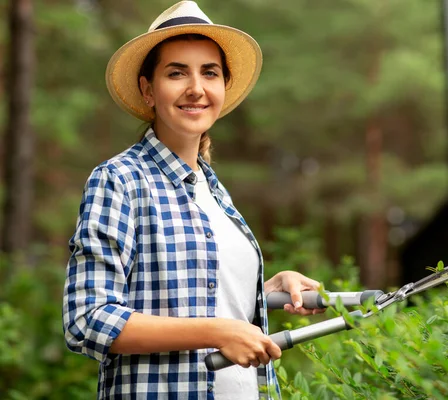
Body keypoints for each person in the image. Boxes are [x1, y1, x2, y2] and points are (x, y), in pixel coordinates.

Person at [62, 2, 323, 399]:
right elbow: (88, 319)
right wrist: (216, 330)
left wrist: (267, 291)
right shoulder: (119, 180)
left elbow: (198, 294)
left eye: (210, 73)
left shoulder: (214, 191)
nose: (196, 88)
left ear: (223, 88)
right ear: (148, 90)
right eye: (176, 72)